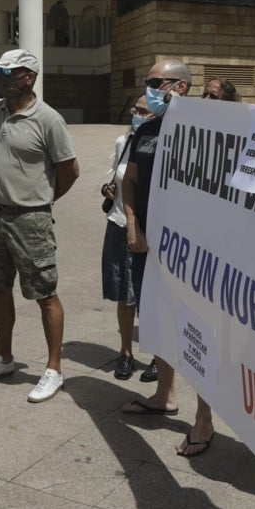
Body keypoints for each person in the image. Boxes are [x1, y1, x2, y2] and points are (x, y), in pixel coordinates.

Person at [0, 49, 79, 403]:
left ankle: (54, 369)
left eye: (8, 73)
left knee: (45, 294)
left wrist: (41, 200)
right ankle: (3, 357)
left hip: (30, 217)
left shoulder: (48, 119)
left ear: (28, 78)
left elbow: (69, 171)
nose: (0, 78)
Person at [119, 60, 216, 457]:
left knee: (196, 333)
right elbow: (130, 181)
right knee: (157, 319)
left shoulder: (207, 131)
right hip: (148, 246)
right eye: (148, 83)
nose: (151, 89)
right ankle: (165, 395)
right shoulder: (146, 130)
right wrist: (131, 224)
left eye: (157, 83)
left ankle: (204, 419)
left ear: (181, 86)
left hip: (191, 254)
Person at [101, 95, 152, 380]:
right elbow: (118, 179)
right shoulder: (124, 143)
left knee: (150, 297)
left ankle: (159, 358)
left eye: (143, 111)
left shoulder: (161, 146)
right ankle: (125, 354)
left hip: (149, 231)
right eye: (135, 109)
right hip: (119, 224)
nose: (136, 114)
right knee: (124, 295)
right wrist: (109, 189)